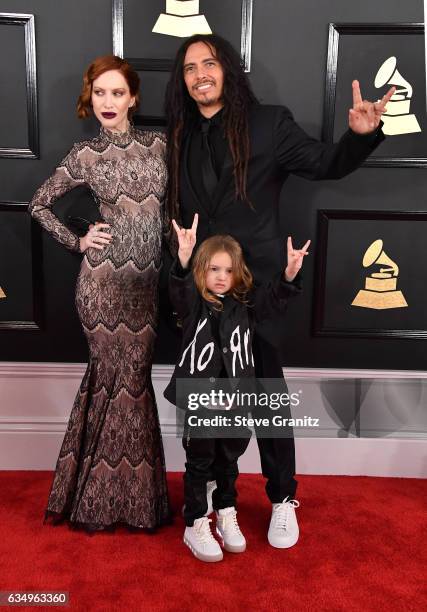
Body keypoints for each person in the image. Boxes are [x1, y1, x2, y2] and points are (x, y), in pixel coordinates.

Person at [163, 33, 395, 548]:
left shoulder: (270, 123)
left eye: (209, 63)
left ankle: (282, 498)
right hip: (204, 292)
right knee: (206, 402)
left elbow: (325, 163)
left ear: (227, 68)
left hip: (258, 285)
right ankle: (210, 506)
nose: (199, 73)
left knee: (266, 396)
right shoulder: (177, 133)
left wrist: (360, 135)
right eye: (189, 68)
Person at [29, 55, 171, 532]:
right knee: (113, 383)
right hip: (102, 286)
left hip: (146, 288)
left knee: (134, 387)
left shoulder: (161, 146)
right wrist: (79, 240)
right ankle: (98, 503)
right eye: (98, 93)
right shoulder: (85, 155)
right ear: (90, 100)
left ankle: (136, 503)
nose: (107, 102)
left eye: (116, 93)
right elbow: (39, 205)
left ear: (133, 98)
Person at [164, 213, 309, 561]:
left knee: (229, 460)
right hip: (202, 399)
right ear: (203, 270)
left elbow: (273, 299)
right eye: (214, 269)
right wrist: (183, 258)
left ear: (238, 273)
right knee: (200, 462)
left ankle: (226, 513)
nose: (221, 277)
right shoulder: (194, 306)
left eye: (228, 271)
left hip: (235, 400)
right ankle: (196, 522)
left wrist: (289, 274)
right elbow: (180, 291)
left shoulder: (245, 306)